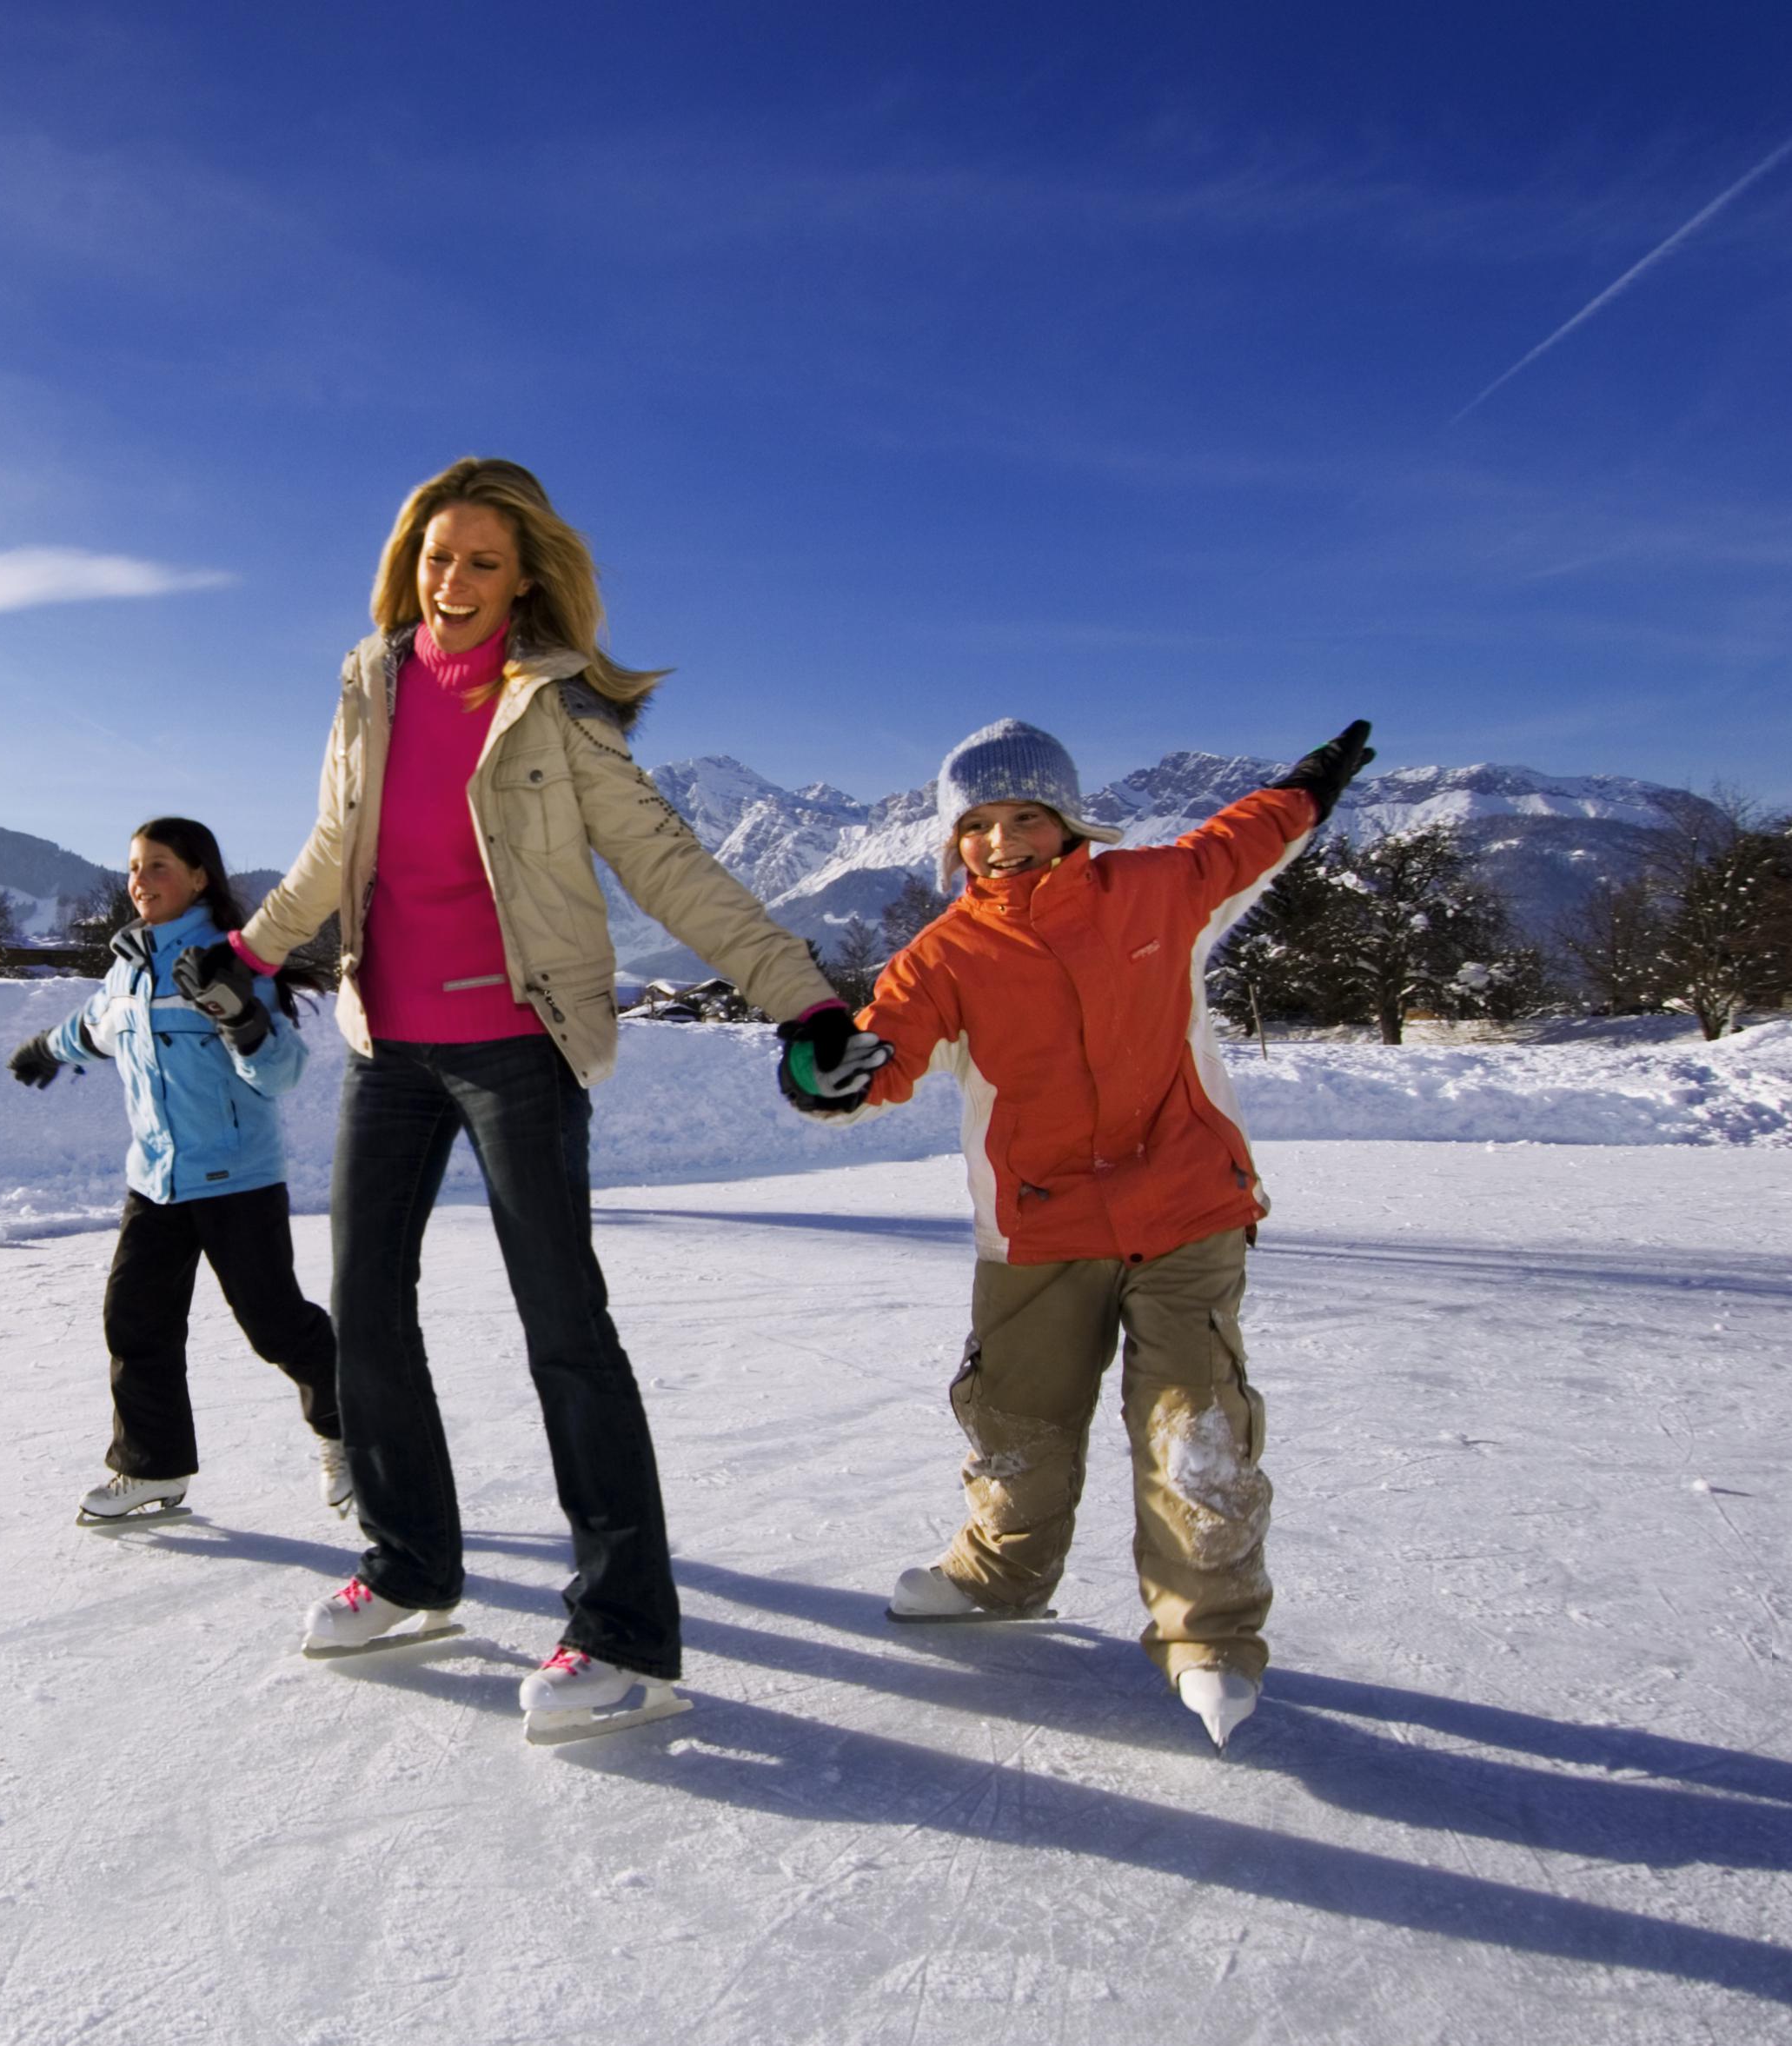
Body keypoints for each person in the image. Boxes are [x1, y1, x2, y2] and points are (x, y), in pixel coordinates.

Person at [180, 458, 879, 1740]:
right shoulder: (369, 684)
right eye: (436, 557)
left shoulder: (554, 712)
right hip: (386, 1041)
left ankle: (620, 1630)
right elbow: (336, 846)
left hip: (516, 1040)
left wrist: (804, 1000)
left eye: (481, 564)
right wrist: (250, 950)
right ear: (411, 562)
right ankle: (408, 1565)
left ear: (526, 581)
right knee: (370, 1314)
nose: (451, 584)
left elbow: (674, 869)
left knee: (562, 1323)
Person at [792, 714, 1375, 1751]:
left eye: (1025, 815)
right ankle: (1003, 1573)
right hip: (1039, 1224)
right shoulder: (946, 953)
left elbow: (1254, 833)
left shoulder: (1158, 887)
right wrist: (822, 1077)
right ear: (951, 840)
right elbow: (882, 1054)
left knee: (1193, 1419)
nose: (1004, 839)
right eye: (978, 823)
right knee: (1018, 1414)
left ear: (1067, 820)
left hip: (1189, 1202)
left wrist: (1313, 783)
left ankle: (1210, 1638)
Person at [8, 817, 346, 1527]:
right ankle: (152, 1469)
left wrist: (243, 1020)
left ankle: (352, 1434)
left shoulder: (228, 959)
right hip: (155, 1180)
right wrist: (48, 1046)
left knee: (277, 1326)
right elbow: (99, 1025)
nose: (140, 881)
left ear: (198, 877)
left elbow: (282, 1072)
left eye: (158, 866)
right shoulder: (128, 963)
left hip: (236, 1178)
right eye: (134, 867)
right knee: (135, 1321)